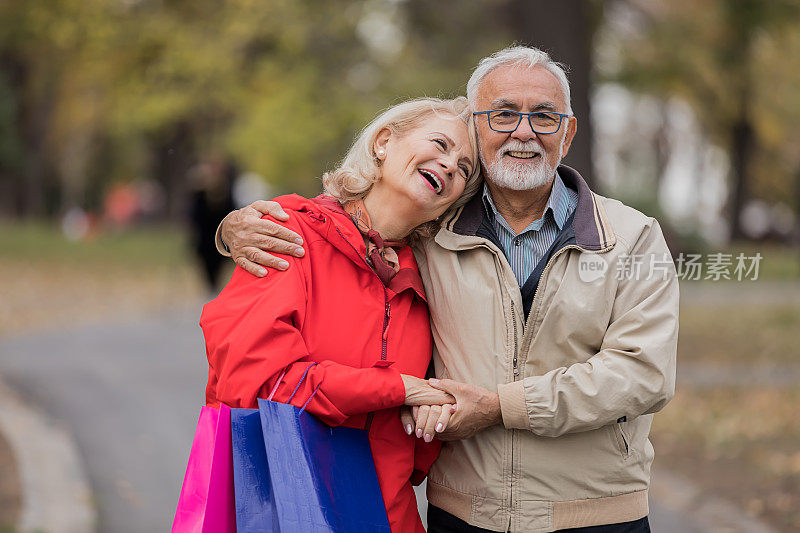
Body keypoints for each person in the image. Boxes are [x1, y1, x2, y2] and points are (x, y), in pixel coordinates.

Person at [218, 46, 678, 533]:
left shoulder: (631, 237)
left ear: (568, 133)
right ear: (478, 126)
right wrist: (231, 230)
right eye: (503, 115)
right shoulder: (432, 233)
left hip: (596, 516)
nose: (523, 131)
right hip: (460, 515)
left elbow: (643, 374)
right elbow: (346, 228)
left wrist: (503, 406)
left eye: (544, 116)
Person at [201, 96, 481, 533]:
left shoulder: (432, 280)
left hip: (385, 515)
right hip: (279, 502)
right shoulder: (291, 234)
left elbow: (426, 426)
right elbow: (254, 382)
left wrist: (428, 412)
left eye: (464, 168)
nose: (449, 165)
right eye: (440, 144)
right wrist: (397, 390)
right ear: (383, 142)